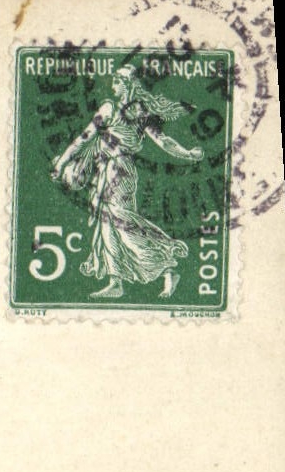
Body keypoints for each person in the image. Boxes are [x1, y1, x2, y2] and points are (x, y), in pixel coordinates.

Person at [51, 66, 204, 299]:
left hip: (120, 172)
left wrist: (188, 154)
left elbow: (163, 141)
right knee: (107, 225)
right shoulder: (112, 109)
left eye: (116, 81)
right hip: (106, 171)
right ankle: (116, 282)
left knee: (122, 223)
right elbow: (84, 138)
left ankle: (166, 264)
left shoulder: (135, 113)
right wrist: (62, 163)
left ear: (128, 84)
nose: (112, 86)